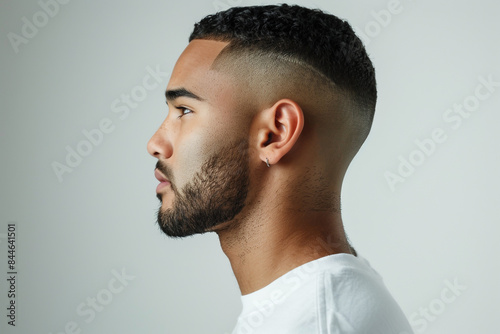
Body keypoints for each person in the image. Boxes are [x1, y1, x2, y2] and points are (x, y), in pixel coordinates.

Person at [147, 4, 413, 334]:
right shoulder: (327, 303)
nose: (155, 144)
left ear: (276, 134)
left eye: (184, 110)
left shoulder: (315, 321)